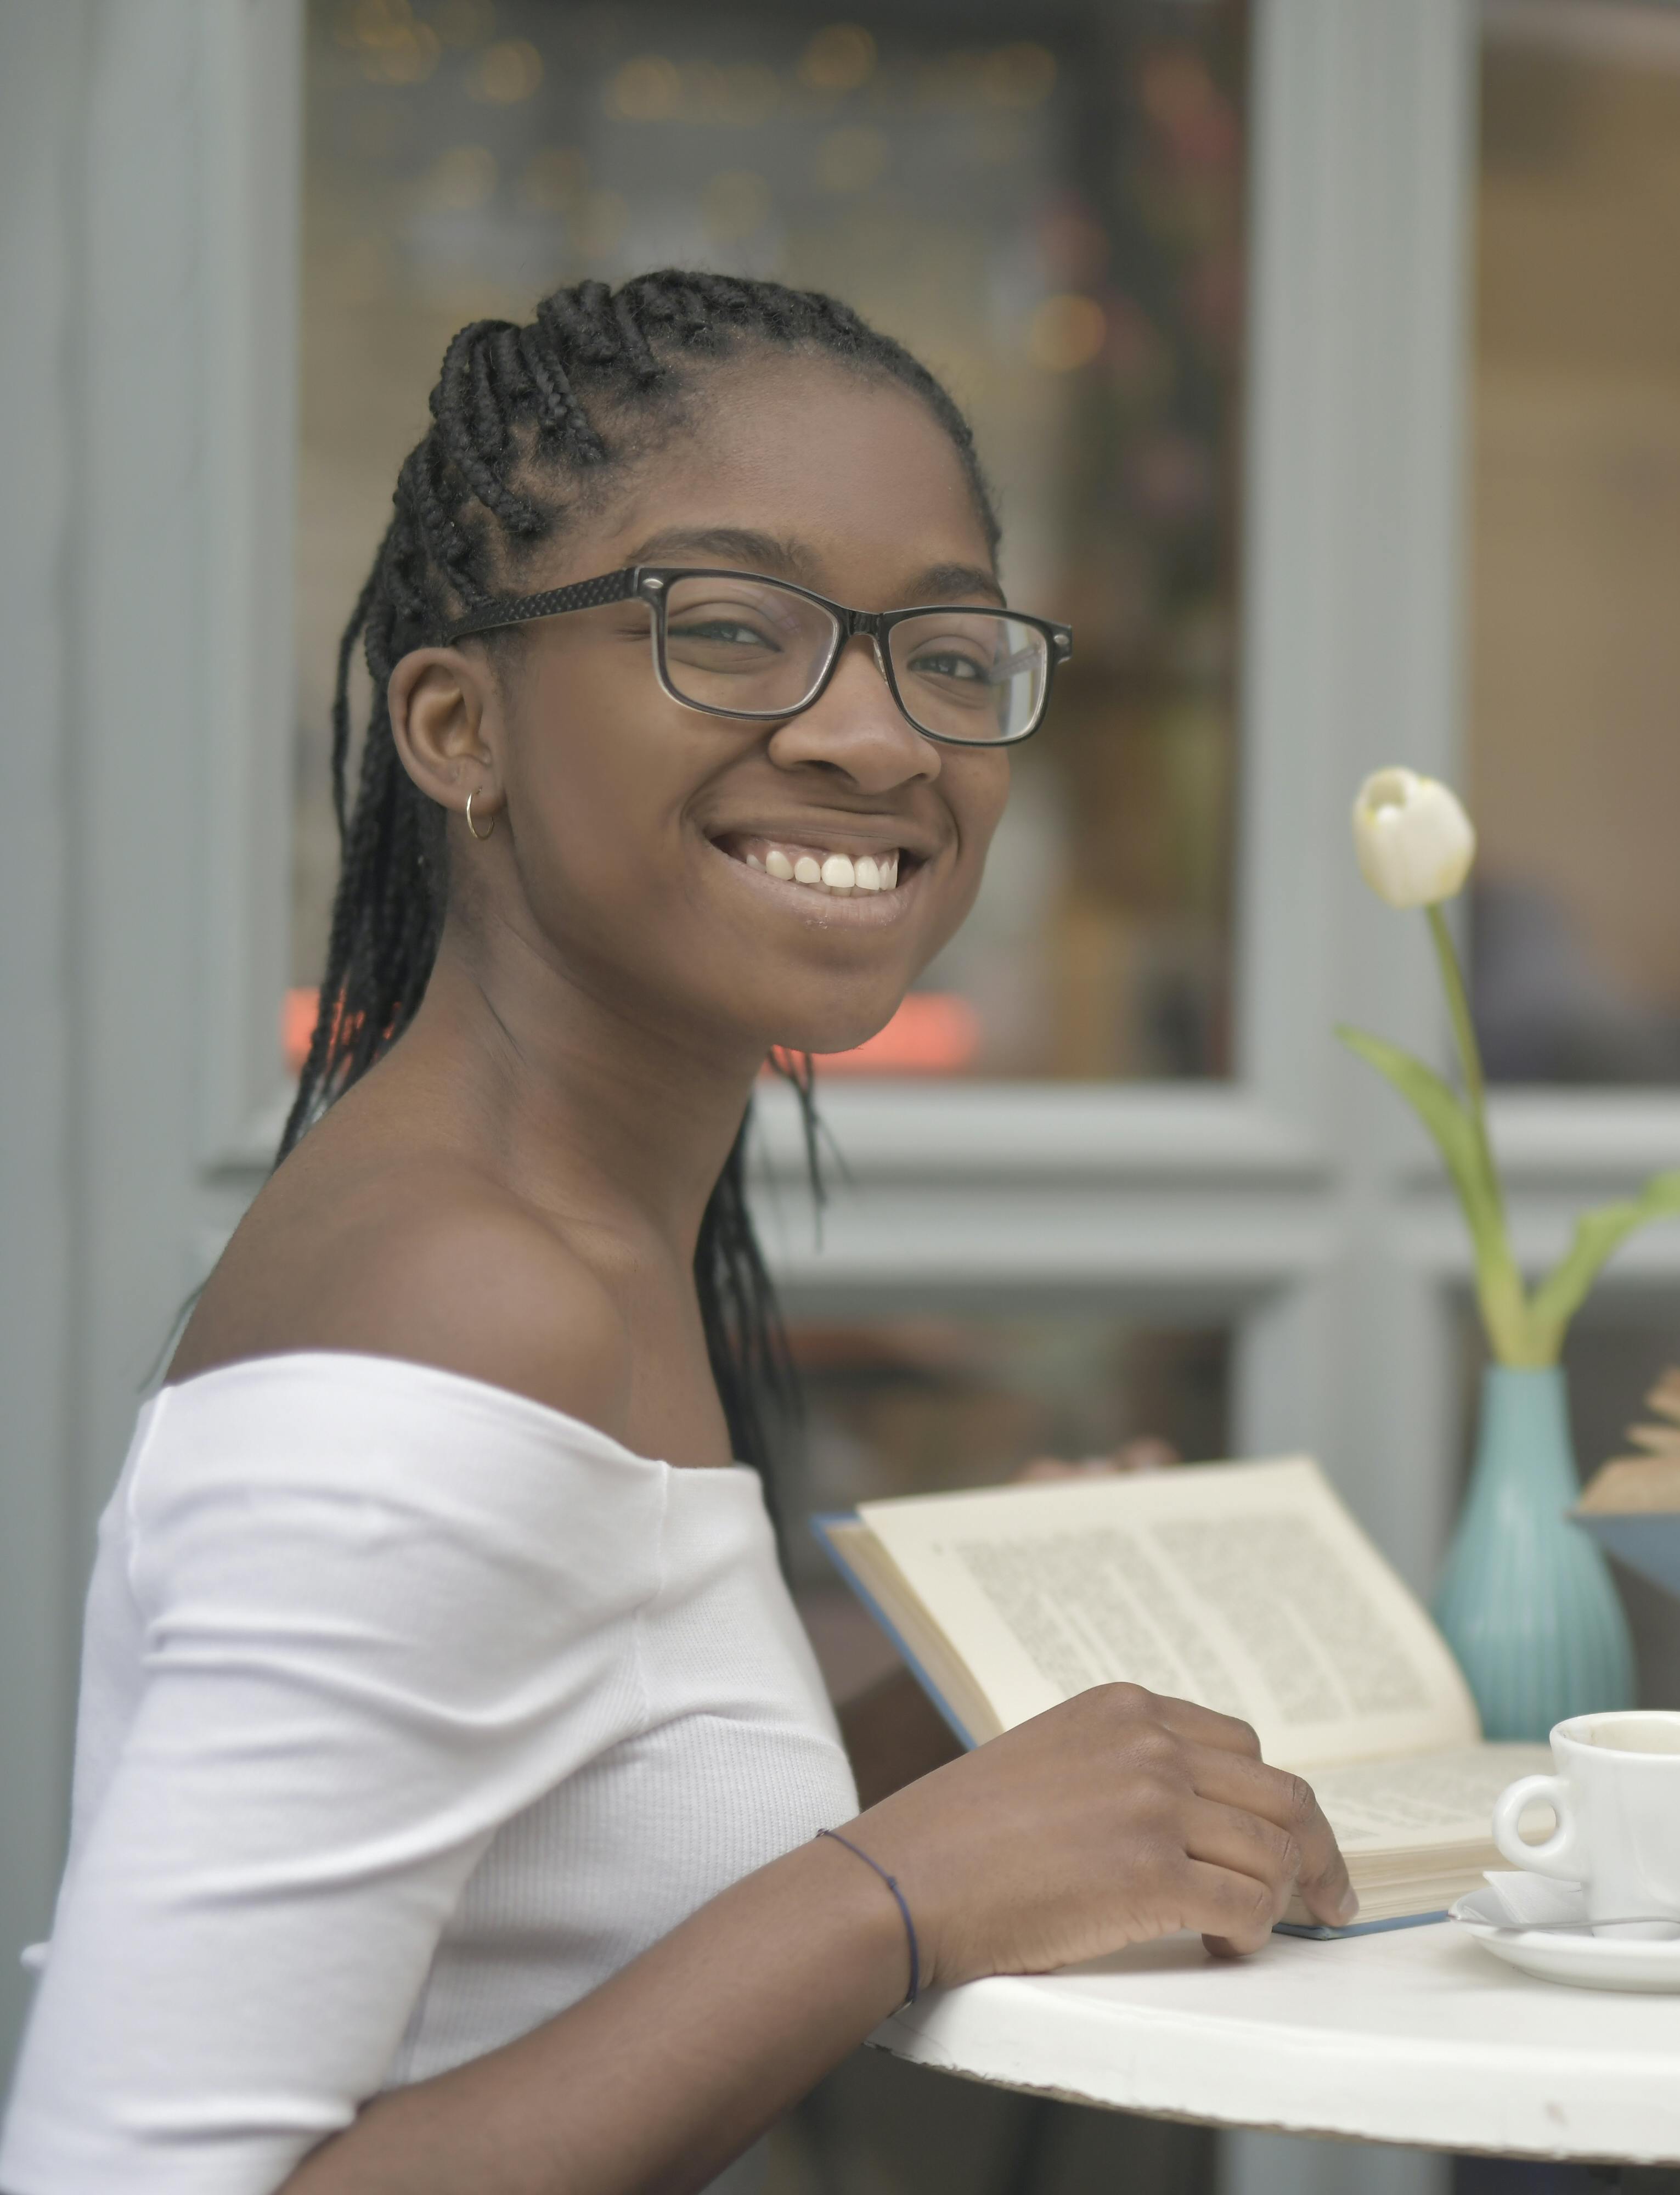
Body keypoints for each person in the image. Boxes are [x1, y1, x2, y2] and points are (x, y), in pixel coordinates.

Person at [0, 272, 1354, 2195]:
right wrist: (895, 1896)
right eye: (731, 631)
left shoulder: (576, 1235)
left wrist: (953, 1699)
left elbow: (552, 1904)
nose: (881, 742)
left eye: (950, 658)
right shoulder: (454, 1303)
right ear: (457, 726)